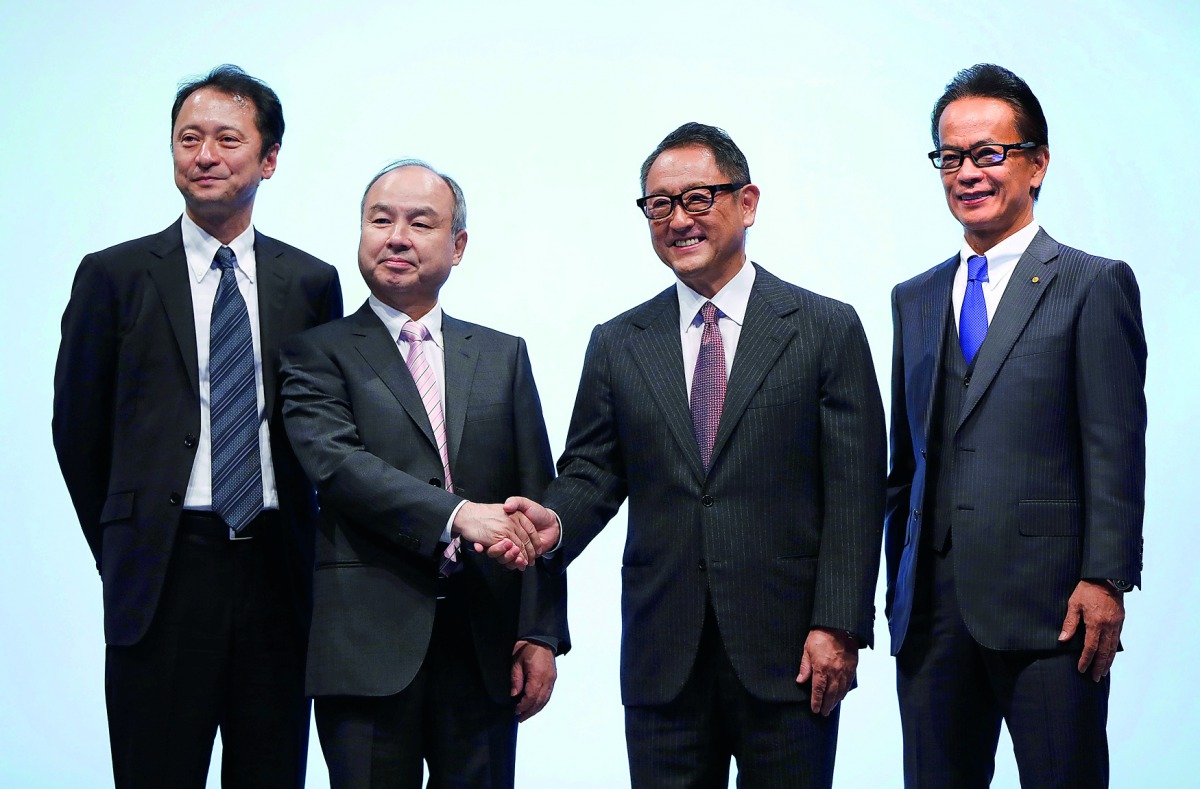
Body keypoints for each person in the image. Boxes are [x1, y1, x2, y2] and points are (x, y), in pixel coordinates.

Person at [506, 122, 886, 787]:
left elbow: (856, 492)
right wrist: (555, 522)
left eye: (697, 198)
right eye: (659, 204)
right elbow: (593, 471)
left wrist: (838, 624)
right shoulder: (619, 341)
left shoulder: (826, 328)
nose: (678, 218)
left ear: (747, 202)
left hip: (791, 652)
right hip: (664, 659)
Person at [52, 64, 343, 787]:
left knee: (271, 770)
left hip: (278, 568)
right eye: (189, 138)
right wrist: (130, 537)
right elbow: (77, 430)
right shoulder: (114, 276)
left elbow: (326, 433)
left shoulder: (310, 282)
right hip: (165, 568)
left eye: (225, 139)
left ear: (268, 159)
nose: (204, 154)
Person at [885, 63, 1146, 787]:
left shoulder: (1092, 283)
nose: (968, 171)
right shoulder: (915, 297)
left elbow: (1115, 444)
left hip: (1053, 612)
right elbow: (904, 464)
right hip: (932, 620)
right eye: (952, 156)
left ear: (1037, 164)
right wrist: (894, 589)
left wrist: (1106, 576)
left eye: (989, 153)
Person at [278, 159, 568, 788]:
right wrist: (460, 515)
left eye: (420, 222)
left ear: (457, 245)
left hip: (484, 649)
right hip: (365, 647)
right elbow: (337, 466)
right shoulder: (315, 352)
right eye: (380, 220)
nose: (397, 236)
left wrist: (541, 632)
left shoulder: (502, 355)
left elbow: (537, 499)